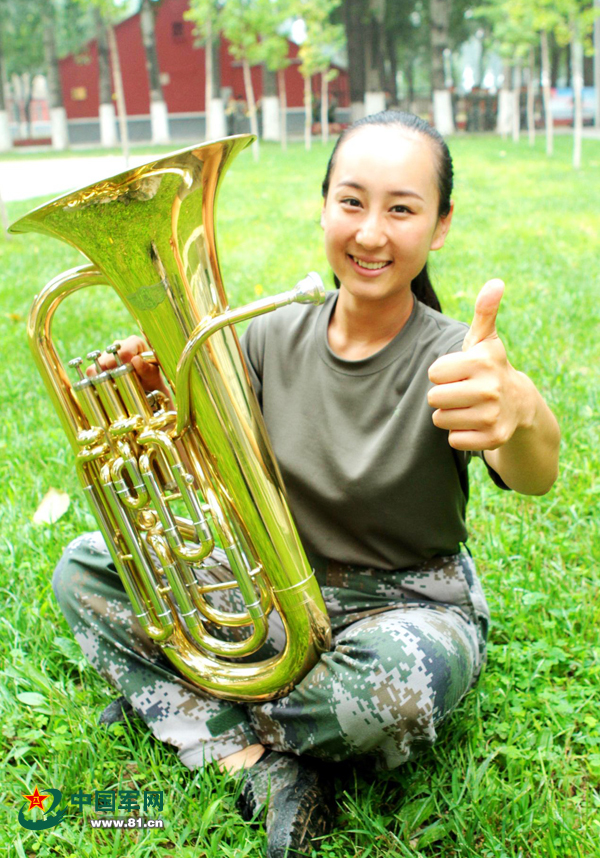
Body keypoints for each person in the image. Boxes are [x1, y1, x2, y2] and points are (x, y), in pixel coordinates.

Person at [52, 111, 560, 857]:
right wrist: (160, 401)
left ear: (440, 225)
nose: (370, 233)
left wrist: (520, 411)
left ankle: (189, 712)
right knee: (86, 569)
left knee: (395, 691)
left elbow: (535, 473)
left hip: (407, 600)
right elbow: (193, 472)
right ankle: (261, 761)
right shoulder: (267, 333)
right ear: (323, 206)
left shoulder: (461, 356)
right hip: (278, 590)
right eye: (351, 202)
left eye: (402, 208)